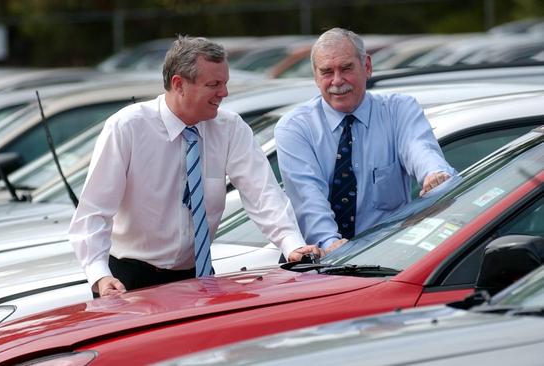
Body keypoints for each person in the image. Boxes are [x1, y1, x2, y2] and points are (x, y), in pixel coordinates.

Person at [69, 35, 320, 298]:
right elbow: (94, 211)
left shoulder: (230, 128)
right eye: (213, 84)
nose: (224, 93)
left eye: (225, 83)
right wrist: (99, 275)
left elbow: (262, 194)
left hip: (198, 277)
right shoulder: (127, 127)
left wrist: (291, 244)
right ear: (179, 84)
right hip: (130, 281)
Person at [275, 27, 455, 253]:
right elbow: (308, 197)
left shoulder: (398, 110)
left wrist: (434, 174)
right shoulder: (295, 127)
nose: (337, 81)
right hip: (320, 260)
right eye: (327, 72)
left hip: (390, 257)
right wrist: (330, 244)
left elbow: (419, 148)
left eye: (346, 68)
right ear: (315, 76)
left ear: (367, 66)